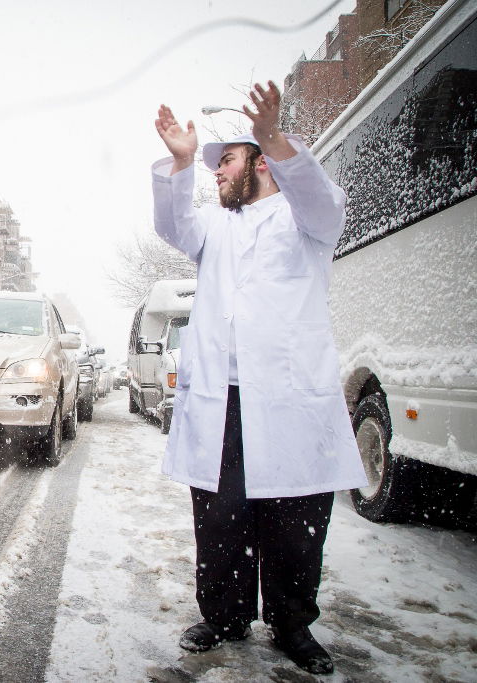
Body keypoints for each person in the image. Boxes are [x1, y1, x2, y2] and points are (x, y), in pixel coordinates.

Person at [151, 81, 368, 675]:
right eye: (215, 162)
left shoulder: (306, 221)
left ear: (261, 162)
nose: (217, 172)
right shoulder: (214, 228)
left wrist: (274, 136)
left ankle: (293, 626)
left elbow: (322, 199)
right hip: (223, 403)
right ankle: (223, 616)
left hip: (290, 403)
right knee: (220, 517)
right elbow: (173, 225)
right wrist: (179, 162)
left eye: (227, 160)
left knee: (295, 523)